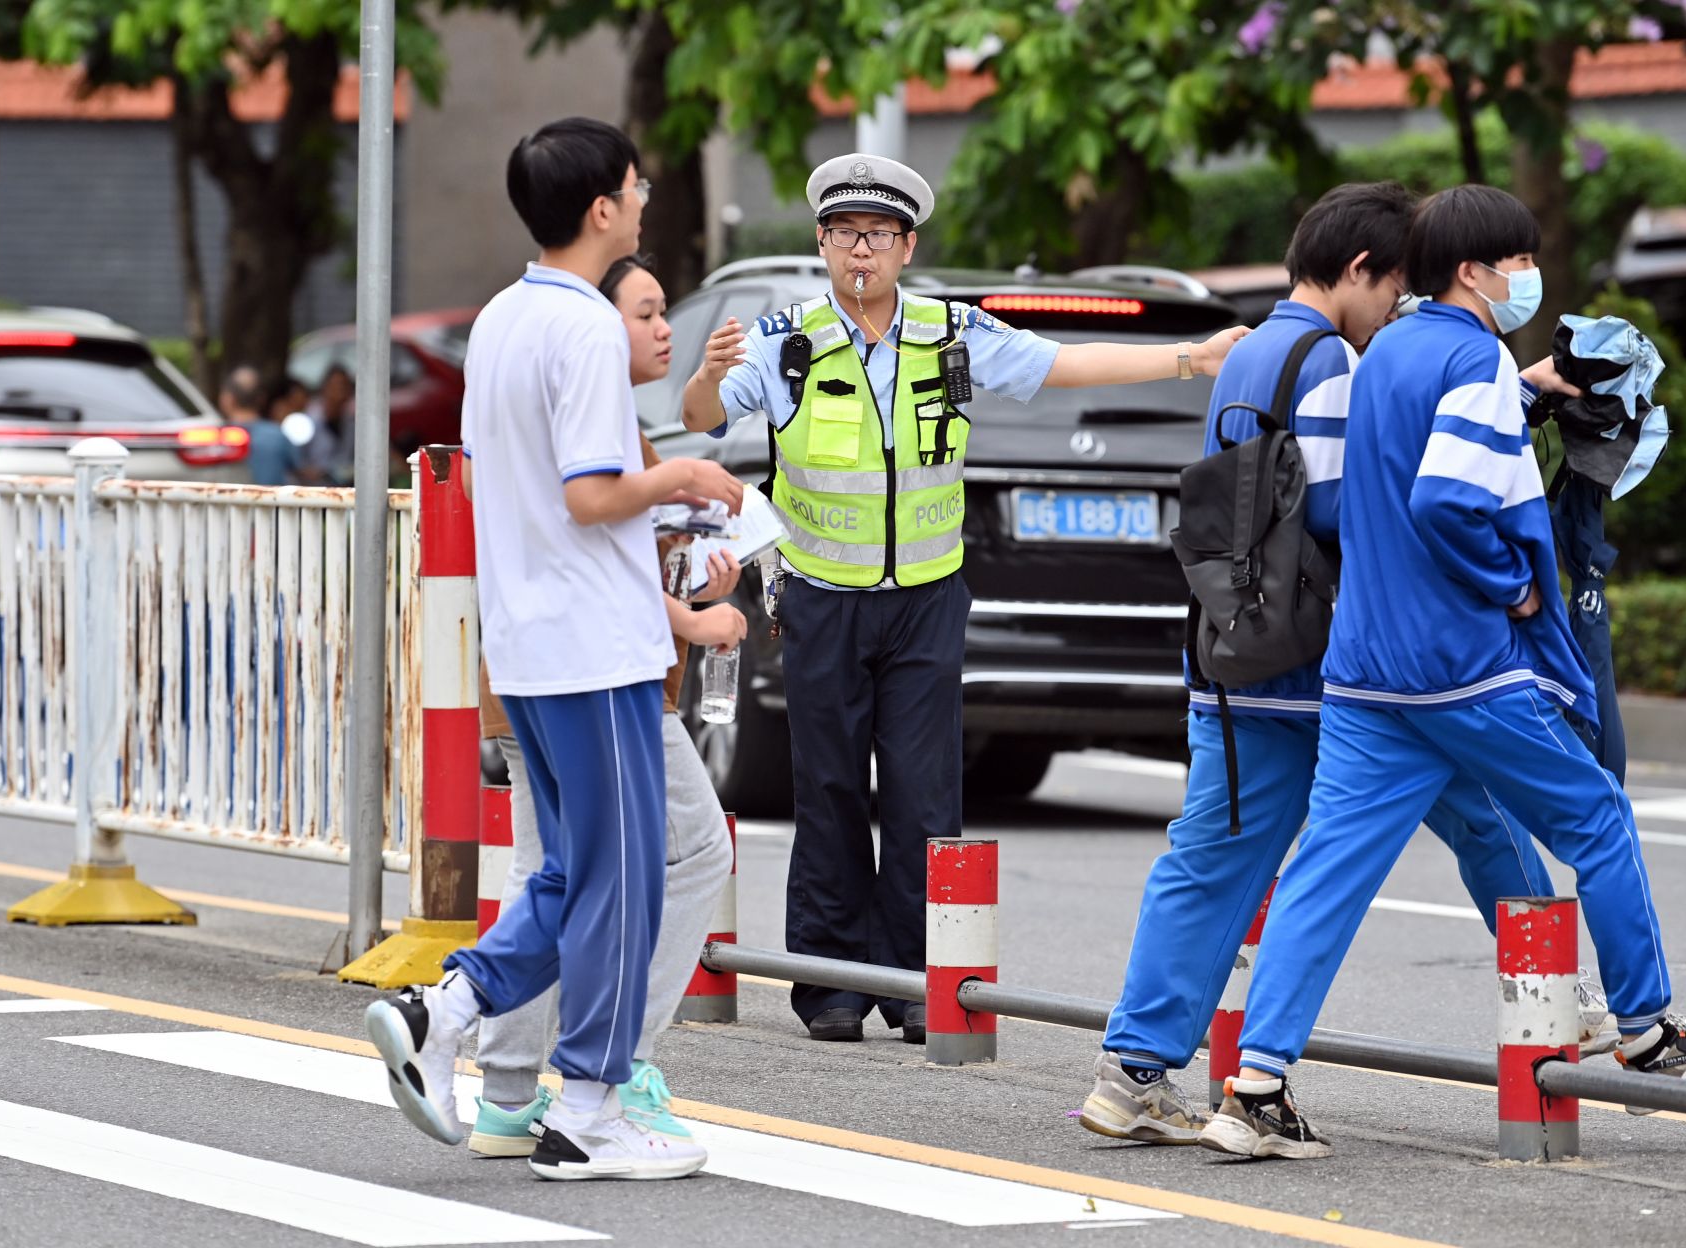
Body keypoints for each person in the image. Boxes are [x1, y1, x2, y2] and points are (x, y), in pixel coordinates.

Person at [1204, 185, 1686, 1161]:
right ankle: (1646, 1028)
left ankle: (1254, 1087)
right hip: (1457, 665)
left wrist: (1536, 390)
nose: (1525, 278)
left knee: (1329, 875)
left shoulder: (1387, 354)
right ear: (1474, 271)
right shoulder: (1473, 355)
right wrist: (1510, 585)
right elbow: (1449, 501)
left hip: (1366, 672)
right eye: (1516, 262)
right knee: (1596, 818)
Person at [682, 154, 1250, 1044]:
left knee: (923, 790)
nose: (857, 252)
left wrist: (1191, 358)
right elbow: (702, 414)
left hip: (927, 596)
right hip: (824, 595)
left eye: (875, 236)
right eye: (841, 235)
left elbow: (1062, 364)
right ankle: (829, 986)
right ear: (821, 245)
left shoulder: (951, 334)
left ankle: (918, 984)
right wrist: (713, 374)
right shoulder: (785, 339)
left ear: (907, 247)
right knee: (827, 785)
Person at [1080, 183, 1589, 1145]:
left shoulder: (1250, 353)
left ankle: (1133, 1071)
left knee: (1211, 860)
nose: (1402, 310)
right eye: (1398, 288)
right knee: (1484, 812)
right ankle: (1568, 998)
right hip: (1337, 668)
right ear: (1360, 271)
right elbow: (1372, 504)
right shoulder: (1330, 366)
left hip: (1238, 655)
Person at [365, 116, 745, 1182]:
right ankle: (587, 1108)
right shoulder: (581, 327)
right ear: (601, 210)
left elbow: (495, 482)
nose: (643, 197)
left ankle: (448, 1011)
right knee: (624, 879)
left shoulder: (500, 318)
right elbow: (589, 494)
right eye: (634, 186)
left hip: (531, 638)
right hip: (593, 645)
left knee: (580, 869)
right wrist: (683, 482)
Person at [466, 252, 745, 1158]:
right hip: (595, 675)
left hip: (540, 668)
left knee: (552, 869)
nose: (662, 328)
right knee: (671, 853)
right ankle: (607, 1070)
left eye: (667, 311)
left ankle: (510, 1091)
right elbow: (587, 542)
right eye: (645, 312)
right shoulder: (590, 411)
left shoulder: (554, 382)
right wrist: (694, 623)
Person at [218, 364, 293, 486]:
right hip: (273, 504)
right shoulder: (278, 435)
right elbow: (301, 470)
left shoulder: (215, 437)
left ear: (228, 398)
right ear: (261, 399)